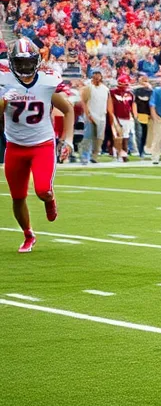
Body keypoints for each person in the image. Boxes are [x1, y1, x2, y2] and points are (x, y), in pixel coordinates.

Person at [1, 39, 74, 252]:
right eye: (20, 63)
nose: (25, 67)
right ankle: (28, 234)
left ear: (37, 61)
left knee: (43, 191)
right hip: (14, 146)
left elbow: (68, 109)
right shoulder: (4, 80)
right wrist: (4, 100)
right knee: (17, 196)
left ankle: (49, 200)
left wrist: (67, 139)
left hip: (41, 144)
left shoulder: (47, 80)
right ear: (12, 62)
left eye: (28, 62)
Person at [79, 70, 109, 165]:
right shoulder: (88, 88)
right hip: (91, 115)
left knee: (99, 138)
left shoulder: (105, 89)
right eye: (95, 75)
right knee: (88, 137)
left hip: (101, 115)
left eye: (98, 75)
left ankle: (95, 156)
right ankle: (84, 156)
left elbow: (108, 103)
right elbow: (84, 101)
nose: (97, 77)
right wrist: (87, 114)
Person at [108, 74, 135, 162]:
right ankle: (117, 154)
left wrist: (133, 116)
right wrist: (113, 117)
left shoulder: (130, 94)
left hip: (127, 117)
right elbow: (110, 106)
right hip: (117, 116)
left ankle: (124, 154)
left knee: (126, 136)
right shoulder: (112, 92)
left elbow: (131, 106)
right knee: (117, 136)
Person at [132, 75, 152, 158]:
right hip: (139, 114)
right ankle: (139, 151)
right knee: (139, 133)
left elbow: (151, 104)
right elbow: (134, 103)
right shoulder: (136, 91)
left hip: (146, 115)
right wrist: (135, 114)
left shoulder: (150, 91)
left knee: (144, 133)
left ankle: (142, 149)